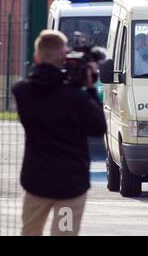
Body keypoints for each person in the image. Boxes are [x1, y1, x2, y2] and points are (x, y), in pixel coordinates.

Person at [12, 30, 107, 236]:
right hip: (69, 186)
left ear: (37, 57)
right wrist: (89, 88)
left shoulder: (22, 91)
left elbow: (36, 83)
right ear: (64, 58)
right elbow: (98, 128)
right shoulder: (76, 98)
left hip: (36, 182)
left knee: (29, 232)